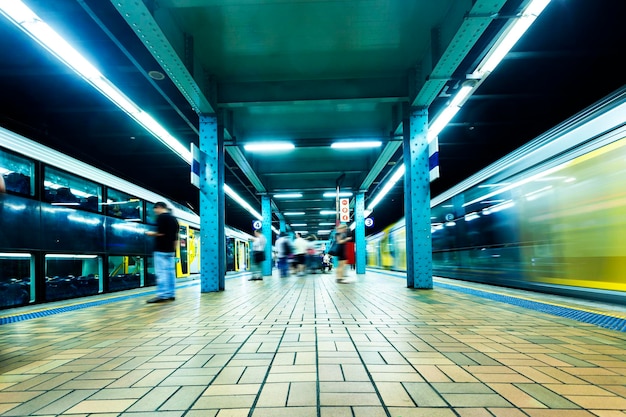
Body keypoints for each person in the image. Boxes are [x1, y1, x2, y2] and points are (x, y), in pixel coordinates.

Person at [145, 202, 179, 303]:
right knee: (170, 272)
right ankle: (171, 294)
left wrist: (151, 234)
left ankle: (162, 295)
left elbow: (161, 233)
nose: (155, 211)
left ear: (160, 207)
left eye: (155, 209)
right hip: (170, 250)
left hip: (161, 249)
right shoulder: (174, 219)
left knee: (161, 273)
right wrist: (173, 250)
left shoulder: (161, 218)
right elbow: (176, 237)